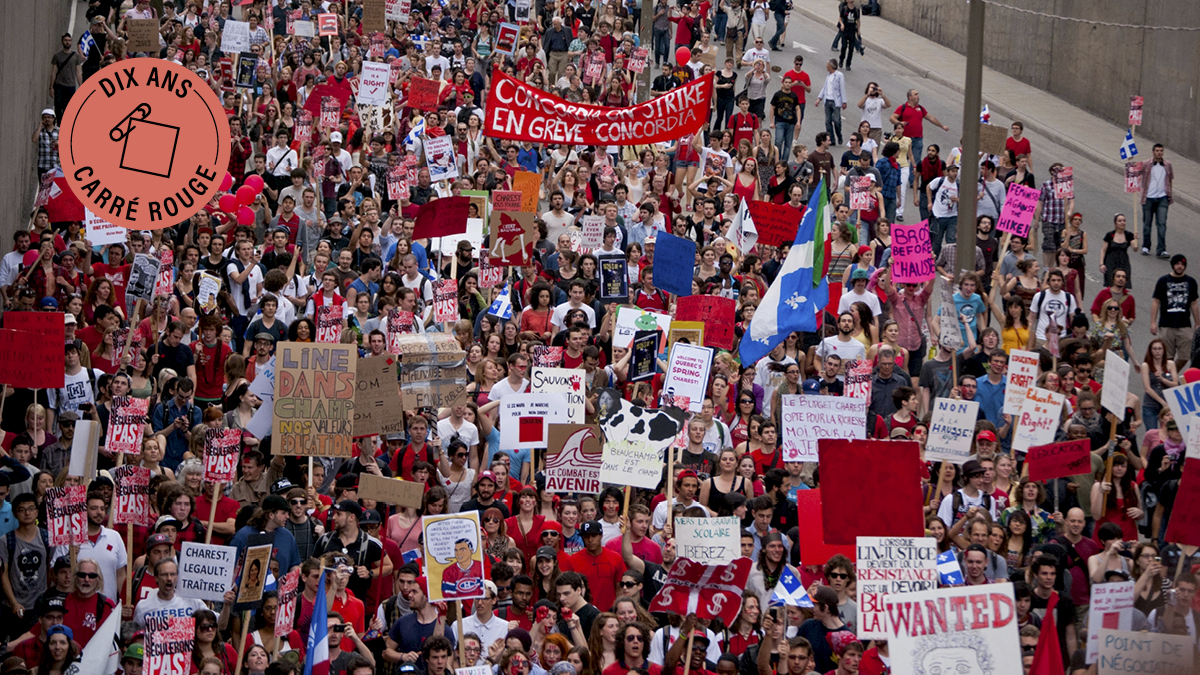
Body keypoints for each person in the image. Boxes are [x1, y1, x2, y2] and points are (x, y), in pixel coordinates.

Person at [1151, 254, 1198, 371]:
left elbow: (1194, 303)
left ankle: (1172, 374)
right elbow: (1156, 301)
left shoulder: (1191, 282)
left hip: (1184, 325)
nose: (1179, 266)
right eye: (1177, 264)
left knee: (1185, 355)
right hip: (1166, 325)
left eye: (1182, 264)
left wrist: (1197, 323)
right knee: (1167, 356)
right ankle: (1168, 379)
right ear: (1173, 265)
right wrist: (1153, 322)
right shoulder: (1163, 281)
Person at [1137, 143, 1173, 259]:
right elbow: (1135, 171)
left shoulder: (1167, 165)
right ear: (1153, 152)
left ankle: (1161, 249)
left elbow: (1170, 180)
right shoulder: (1146, 164)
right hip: (1148, 198)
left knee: (1162, 223)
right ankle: (1146, 246)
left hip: (1162, 198)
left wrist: (1169, 194)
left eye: (1161, 151)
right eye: (1157, 150)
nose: (1159, 152)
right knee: (1147, 223)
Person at [816, 60, 847, 147]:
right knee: (828, 121)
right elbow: (825, 88)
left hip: (835, 101)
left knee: (836, 120)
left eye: (827, 65)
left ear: (832, 66)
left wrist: (844, 101)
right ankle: (831, 139)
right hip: (827, 100)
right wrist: (819, 98)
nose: (826, 66)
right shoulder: (828, 76)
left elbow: (842, 88)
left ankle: (839, 135)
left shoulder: (839, 75)